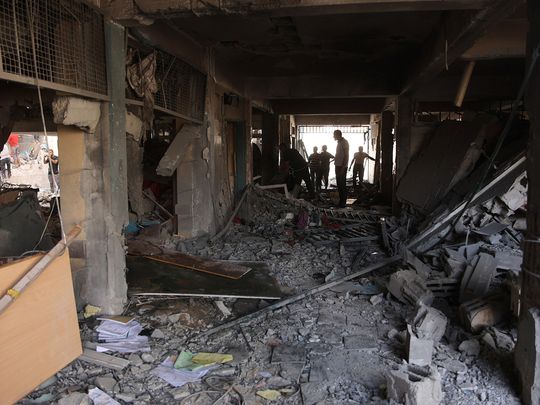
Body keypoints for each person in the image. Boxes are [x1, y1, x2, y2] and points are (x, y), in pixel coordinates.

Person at [333, 130, 349, 208]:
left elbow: (346, 156)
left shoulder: (344, 142)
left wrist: (343, 168)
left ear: (338, 135)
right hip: (338, 166)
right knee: (339, 185)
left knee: (342, 185)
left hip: (341, 167)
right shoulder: (339, 143)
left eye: (334, 135)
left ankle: (343, 203)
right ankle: (341, 202)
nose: (333, 136)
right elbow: (340, 154)